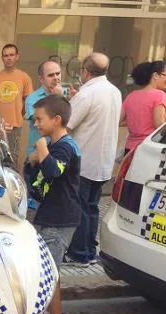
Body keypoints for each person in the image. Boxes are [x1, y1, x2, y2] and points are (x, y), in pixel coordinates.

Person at [28, 94, 81, 314]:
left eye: (39, 119)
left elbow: (54, 171)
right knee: (44, 268)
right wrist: (32, 162)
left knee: (50, 272)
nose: (36, 124)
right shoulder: (56, 146)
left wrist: (41, 149)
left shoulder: (66, 147)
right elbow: (38, 180)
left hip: (60, 219)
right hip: (49, 215)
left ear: (56, 119)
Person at [64, 53, 122, 268]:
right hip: (103, 161)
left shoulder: (87, 94)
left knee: (80, 207)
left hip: (84, 160)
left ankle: (79, 253)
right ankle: (89, 251)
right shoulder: (114, 91)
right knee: (92, 207)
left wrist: (73, 100)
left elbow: (67, 125)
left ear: (85, 72)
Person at [0, 44, 33, 164]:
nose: (9, 58)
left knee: (12, 160)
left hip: (15, 127)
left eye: (11, 55)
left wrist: (18, 116)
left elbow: (28, 102)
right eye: (6, 55)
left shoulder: (24, 77)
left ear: (17, 57)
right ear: (2, 58)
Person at [120, 61, 166, 153]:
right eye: (165, 75)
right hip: (149, 149)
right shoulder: (159, 95)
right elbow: (159, 125)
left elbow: (119, 121)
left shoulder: (131, 96)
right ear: (156, 75)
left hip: (129, 148)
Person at [24, 61, 65, 164]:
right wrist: (56, 98)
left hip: (59, 152)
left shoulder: (65, 94)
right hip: (37, 155)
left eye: (58, 73)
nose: (56, 77)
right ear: (41, 79)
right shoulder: (32, 99)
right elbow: (45, 121)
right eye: (51, 75)